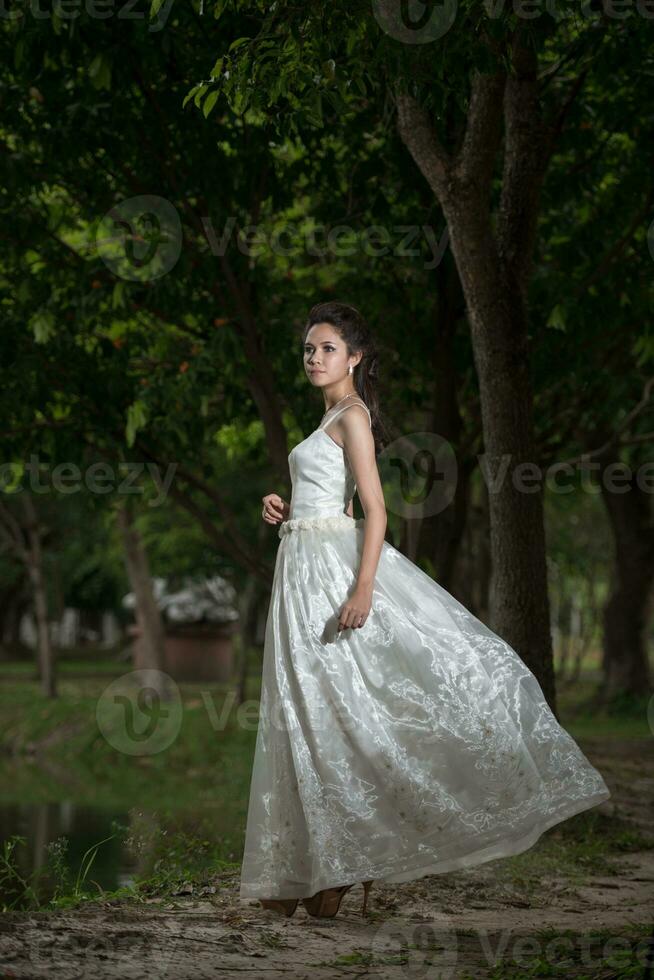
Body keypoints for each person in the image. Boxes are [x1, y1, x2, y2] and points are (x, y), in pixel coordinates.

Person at [239, 301, 611, 920]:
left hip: (332, 574)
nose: (314, 358)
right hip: (301, 568)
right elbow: (334, 498)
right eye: (308, 349)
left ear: (354, 357)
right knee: (305, 710)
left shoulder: (353, 416)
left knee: (337, 710)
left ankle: (345, 862)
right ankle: (321, 865)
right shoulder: (328, 417)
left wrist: (362, 590)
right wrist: (284, 504)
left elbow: (376, 511)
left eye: (327, 348)